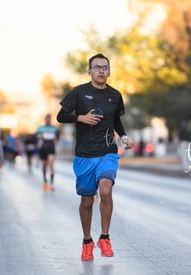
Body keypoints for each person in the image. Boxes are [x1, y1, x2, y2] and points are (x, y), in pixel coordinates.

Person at [56, 53, 134, 261]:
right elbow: (61, 116)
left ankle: (105, 237)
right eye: (97, 67)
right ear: (89, 71)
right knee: (87, 201)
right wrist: (80, 117)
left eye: (105, 67)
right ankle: (87, 240)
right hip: (84, 155)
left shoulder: (115, 95)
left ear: (109, 71)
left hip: (107, 151)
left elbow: (115, 120)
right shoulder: (79, 93)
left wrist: (124, 137)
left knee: (106, 189)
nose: (101, 70)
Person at [36, 114, 60, 191]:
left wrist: (56, 141)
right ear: (45, 119)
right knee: (44, 166)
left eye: (49, 119)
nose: (48, 120)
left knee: (51, 164)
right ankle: (45, 181)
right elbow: (37, 137)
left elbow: (57, 138)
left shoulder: (55, 128)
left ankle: (52, 183)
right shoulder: (40, 128)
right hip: (43, 148)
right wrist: (40, 136)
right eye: (47, 119)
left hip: (51, 148)